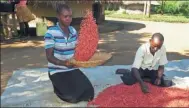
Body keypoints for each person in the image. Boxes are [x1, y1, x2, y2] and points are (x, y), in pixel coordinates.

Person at [44, 4, 94, 103]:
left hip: (72, 67)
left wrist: (89, 49)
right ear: (58, 16)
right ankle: (57, 88)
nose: (68, 19)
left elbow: (78, 49)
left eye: (70, 16)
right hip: (57, 70)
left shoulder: (73, 31)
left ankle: (64, 86)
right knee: (73, 98)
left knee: (89, 93)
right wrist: (64, 63)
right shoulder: (51, 32)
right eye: (65, 16)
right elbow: (49, 57)